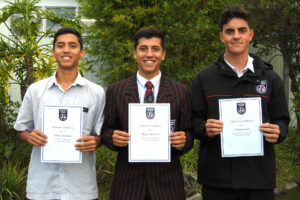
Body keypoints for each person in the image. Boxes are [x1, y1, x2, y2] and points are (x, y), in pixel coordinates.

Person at [191, 5, 290, 200]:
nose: (236, 36)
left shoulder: (270, 79)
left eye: (241, 30)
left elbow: (282, 120)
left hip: (258, 179)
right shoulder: (204, 78)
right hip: (216, 181)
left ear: (250, 35)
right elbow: (192, 121)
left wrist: (278, 131)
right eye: (230, 31)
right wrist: (204, 128)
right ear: (222, 37)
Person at [101, 27, 193, 200]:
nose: (149, 54)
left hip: (167, 184)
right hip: (127, 184)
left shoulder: (180, 91)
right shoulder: (117, 90)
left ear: (163, 54)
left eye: (155, 49)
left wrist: (183, 140)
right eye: (143, 49)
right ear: (135, 53)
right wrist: (113, 137)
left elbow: (189, 133)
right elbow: (106, 130)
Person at [14, 27, 105, 200]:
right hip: (42, 187)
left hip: (81, 188)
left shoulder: (96, 92)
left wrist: (95, 141)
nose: (66, 50)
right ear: (53, 52)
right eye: (60, 45)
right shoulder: (36, 91)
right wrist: (29, 137)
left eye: (72, 45)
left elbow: (100, 134)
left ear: (81, 52)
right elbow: (21, 130)